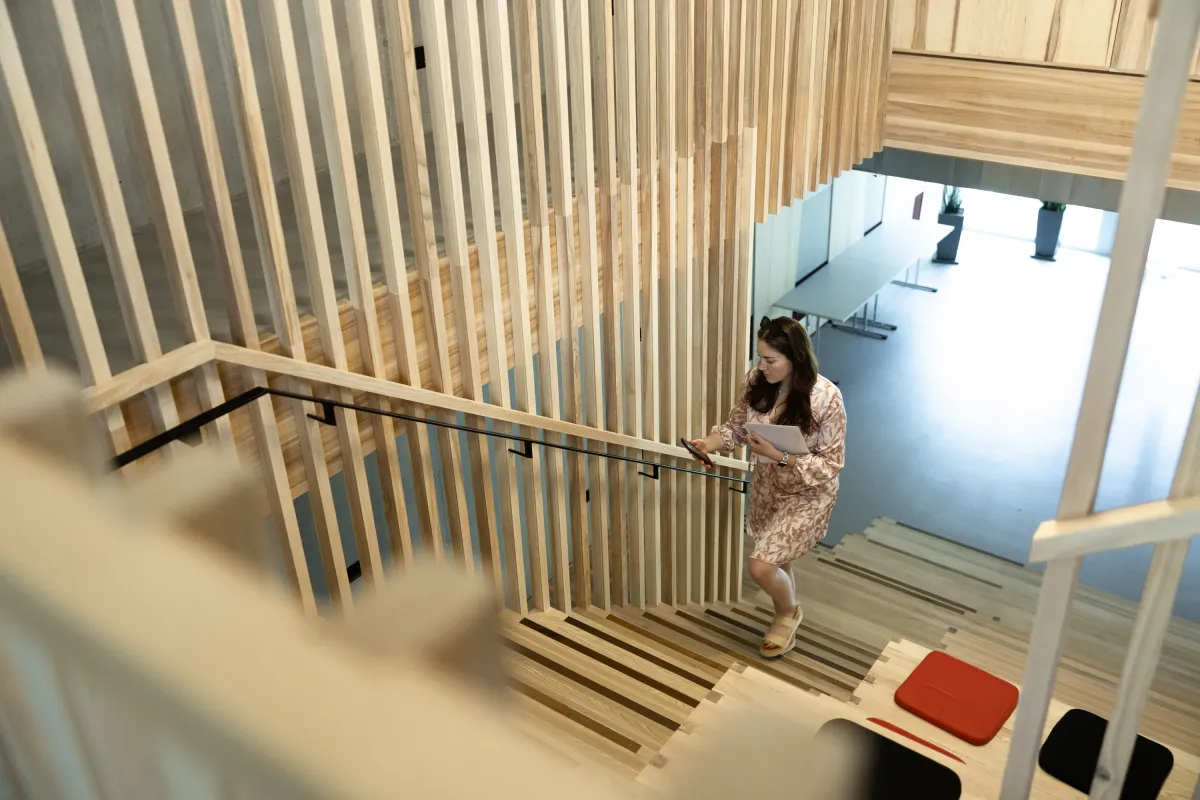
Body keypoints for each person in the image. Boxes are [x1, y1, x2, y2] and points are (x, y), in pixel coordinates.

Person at [687, 316, 846, 658]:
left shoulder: (826, 398)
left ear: (795, 358)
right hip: (766, 490)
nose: (761, 367)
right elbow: (735, 429)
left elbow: (831, 464)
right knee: (777, 559)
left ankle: (788, 613)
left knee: (761, 566)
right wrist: (708, 444)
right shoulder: (757, 381)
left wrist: (780, 457)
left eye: (770, 360)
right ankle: (784, 612)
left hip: (807, 494)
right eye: (759, 358)